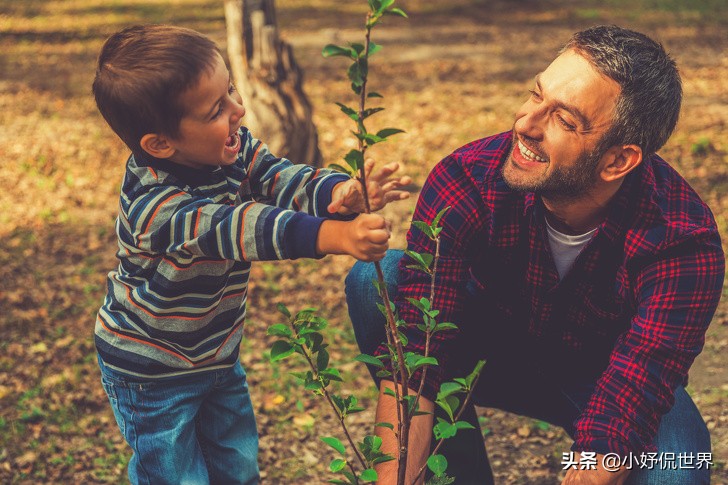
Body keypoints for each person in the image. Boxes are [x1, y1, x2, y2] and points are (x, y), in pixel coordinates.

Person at [346, 25, 724, 485]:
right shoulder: (467, 180)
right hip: (489, 351)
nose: (525, 123)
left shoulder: (683, 240)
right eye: (536, 95)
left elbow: (637, 387)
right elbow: (418, 353)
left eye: (565, 120)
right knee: (377, 279)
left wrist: (594, 464)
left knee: (681, 465)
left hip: (606, 374)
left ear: (617, 161)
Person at [92, 24, 410, 485]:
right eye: (216, 109)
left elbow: (281, 178)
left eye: (232, 91)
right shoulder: (156, 209)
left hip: (216, 355)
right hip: (151, 372)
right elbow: (243, 227)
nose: (239, 110)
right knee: (178, 477)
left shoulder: (232, 151)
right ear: (160, 144)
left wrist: (340, 192)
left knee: (237, 467)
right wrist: (336, 236)